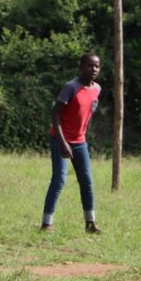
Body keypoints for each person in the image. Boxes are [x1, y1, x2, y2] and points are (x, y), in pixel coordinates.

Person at [41, 53, 102, 234]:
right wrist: (62, 142)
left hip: (80, 142)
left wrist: (82, 137)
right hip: (60, 139)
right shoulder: (71, 87)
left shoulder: (97, 89)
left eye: (97, 66)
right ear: (81, 67)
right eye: (90, 66)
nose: (94, 69)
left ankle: (90, 223)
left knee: (87, 181)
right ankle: (46, 223)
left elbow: (87, 114)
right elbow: (55, 114)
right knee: (59, 179)